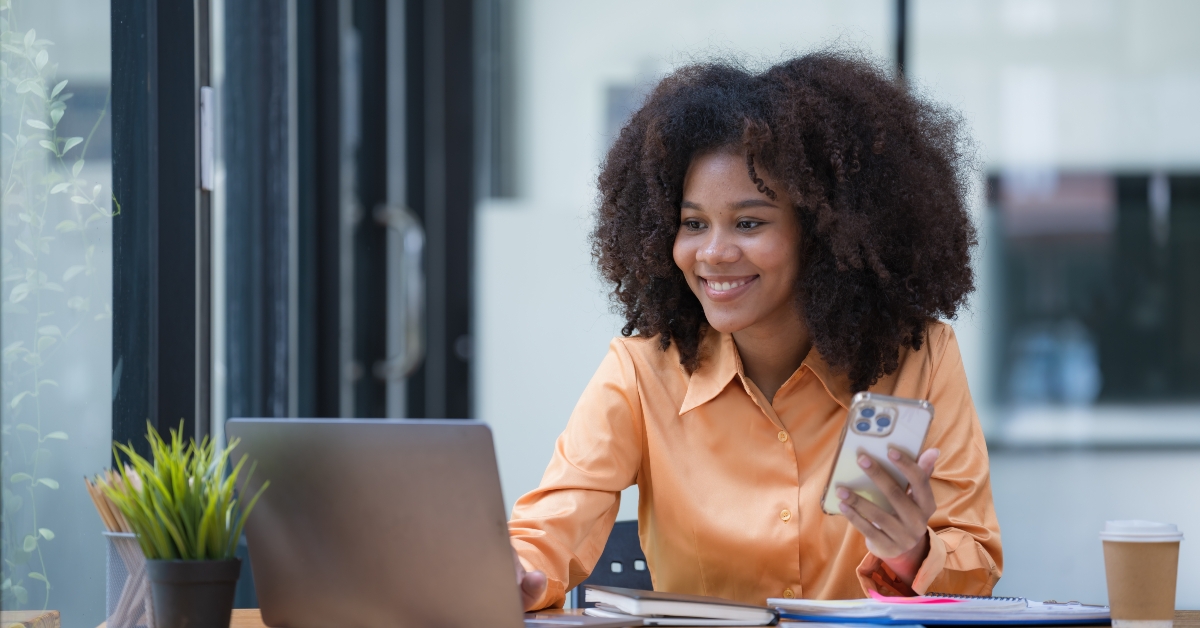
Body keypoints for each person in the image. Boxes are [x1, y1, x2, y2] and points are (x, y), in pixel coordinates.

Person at [509, 50, 1002, 611]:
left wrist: (909, 552)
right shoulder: (641, 371)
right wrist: (518, 571)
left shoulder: (919, 359)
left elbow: (976, 567)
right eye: (693, 224)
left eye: (749, 223)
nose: (714, 253)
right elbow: (549, 527)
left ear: (823, 234)